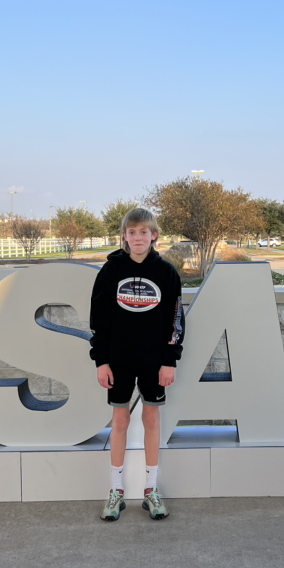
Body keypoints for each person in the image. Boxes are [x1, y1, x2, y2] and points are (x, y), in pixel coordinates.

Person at [89, 207, 184, 521]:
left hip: (154, 362)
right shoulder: (110, 271)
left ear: (154, 235)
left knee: (152, 421)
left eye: (144, 232)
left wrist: (169, 360)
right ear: (124, 236)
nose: (138, 237)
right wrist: (101, 361)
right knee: (119, 422)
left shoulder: (167, 273)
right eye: (132, 232)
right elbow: (99, 321)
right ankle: (116, 491)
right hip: (119, 361)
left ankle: (150, 491)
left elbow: (175, 320)